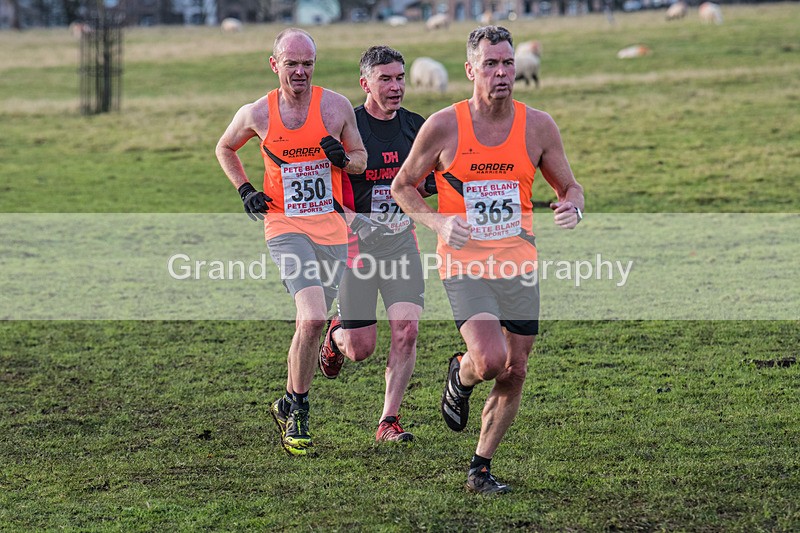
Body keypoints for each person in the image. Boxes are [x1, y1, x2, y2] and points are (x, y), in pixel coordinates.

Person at [391, 26, 584, 493]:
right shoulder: (444, 125)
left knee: (516, 369)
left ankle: (480, 468)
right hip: (465, 264)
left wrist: (572, 206)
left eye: (508, 63)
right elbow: (402, 186)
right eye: (491, 64)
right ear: (470, 70)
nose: (502, 73)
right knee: (491, 359)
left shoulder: (538, 126)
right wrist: (439, 224)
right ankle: (461, 374)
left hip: (519, 263)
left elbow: (570, 187)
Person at [215, 28, 367, 457]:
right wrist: (245, 189)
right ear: (274, 64)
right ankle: (299, 411)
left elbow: (360, 160)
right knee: (314, 317)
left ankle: (286, 401)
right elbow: (225, 148)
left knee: (309, 323)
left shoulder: (336, 107)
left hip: (332, 230)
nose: (300, 71)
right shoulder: (257, 113)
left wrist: (342, 159)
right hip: (284, 226)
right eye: (291, 63)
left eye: (307, 64)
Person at [318, 45, 436, 443]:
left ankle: (388, 421)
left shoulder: (416, 127)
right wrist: (357, 222)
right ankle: (335, 336)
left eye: (400, 77)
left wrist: (439, 186)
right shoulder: (348, 128)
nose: (396, 86)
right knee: (360, 349)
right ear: (365, 83)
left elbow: (424, 183)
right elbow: (322, 191)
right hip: (355, 248)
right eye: (385, 79)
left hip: (401, 243)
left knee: (407, 330)